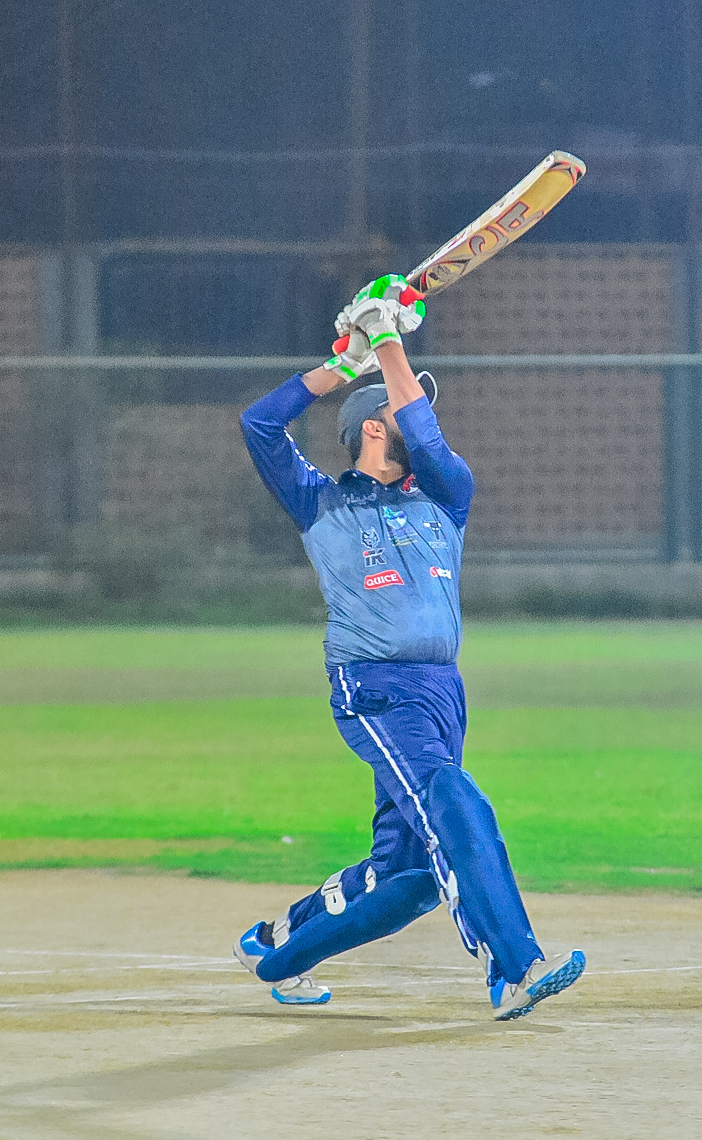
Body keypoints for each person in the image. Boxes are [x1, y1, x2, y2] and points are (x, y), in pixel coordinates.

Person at [234, 275, 585, 1021]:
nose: (419, 415)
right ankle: (512, 966)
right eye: (400, 404)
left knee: (409, 877)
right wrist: (351, 359)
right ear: (371, 428)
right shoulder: (321, 501)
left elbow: (425, 439)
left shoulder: (446, 493)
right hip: (373, 687)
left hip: (441, 689)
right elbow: (259, 425)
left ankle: (277, 949)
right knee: (450, 797)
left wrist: (387, 339)